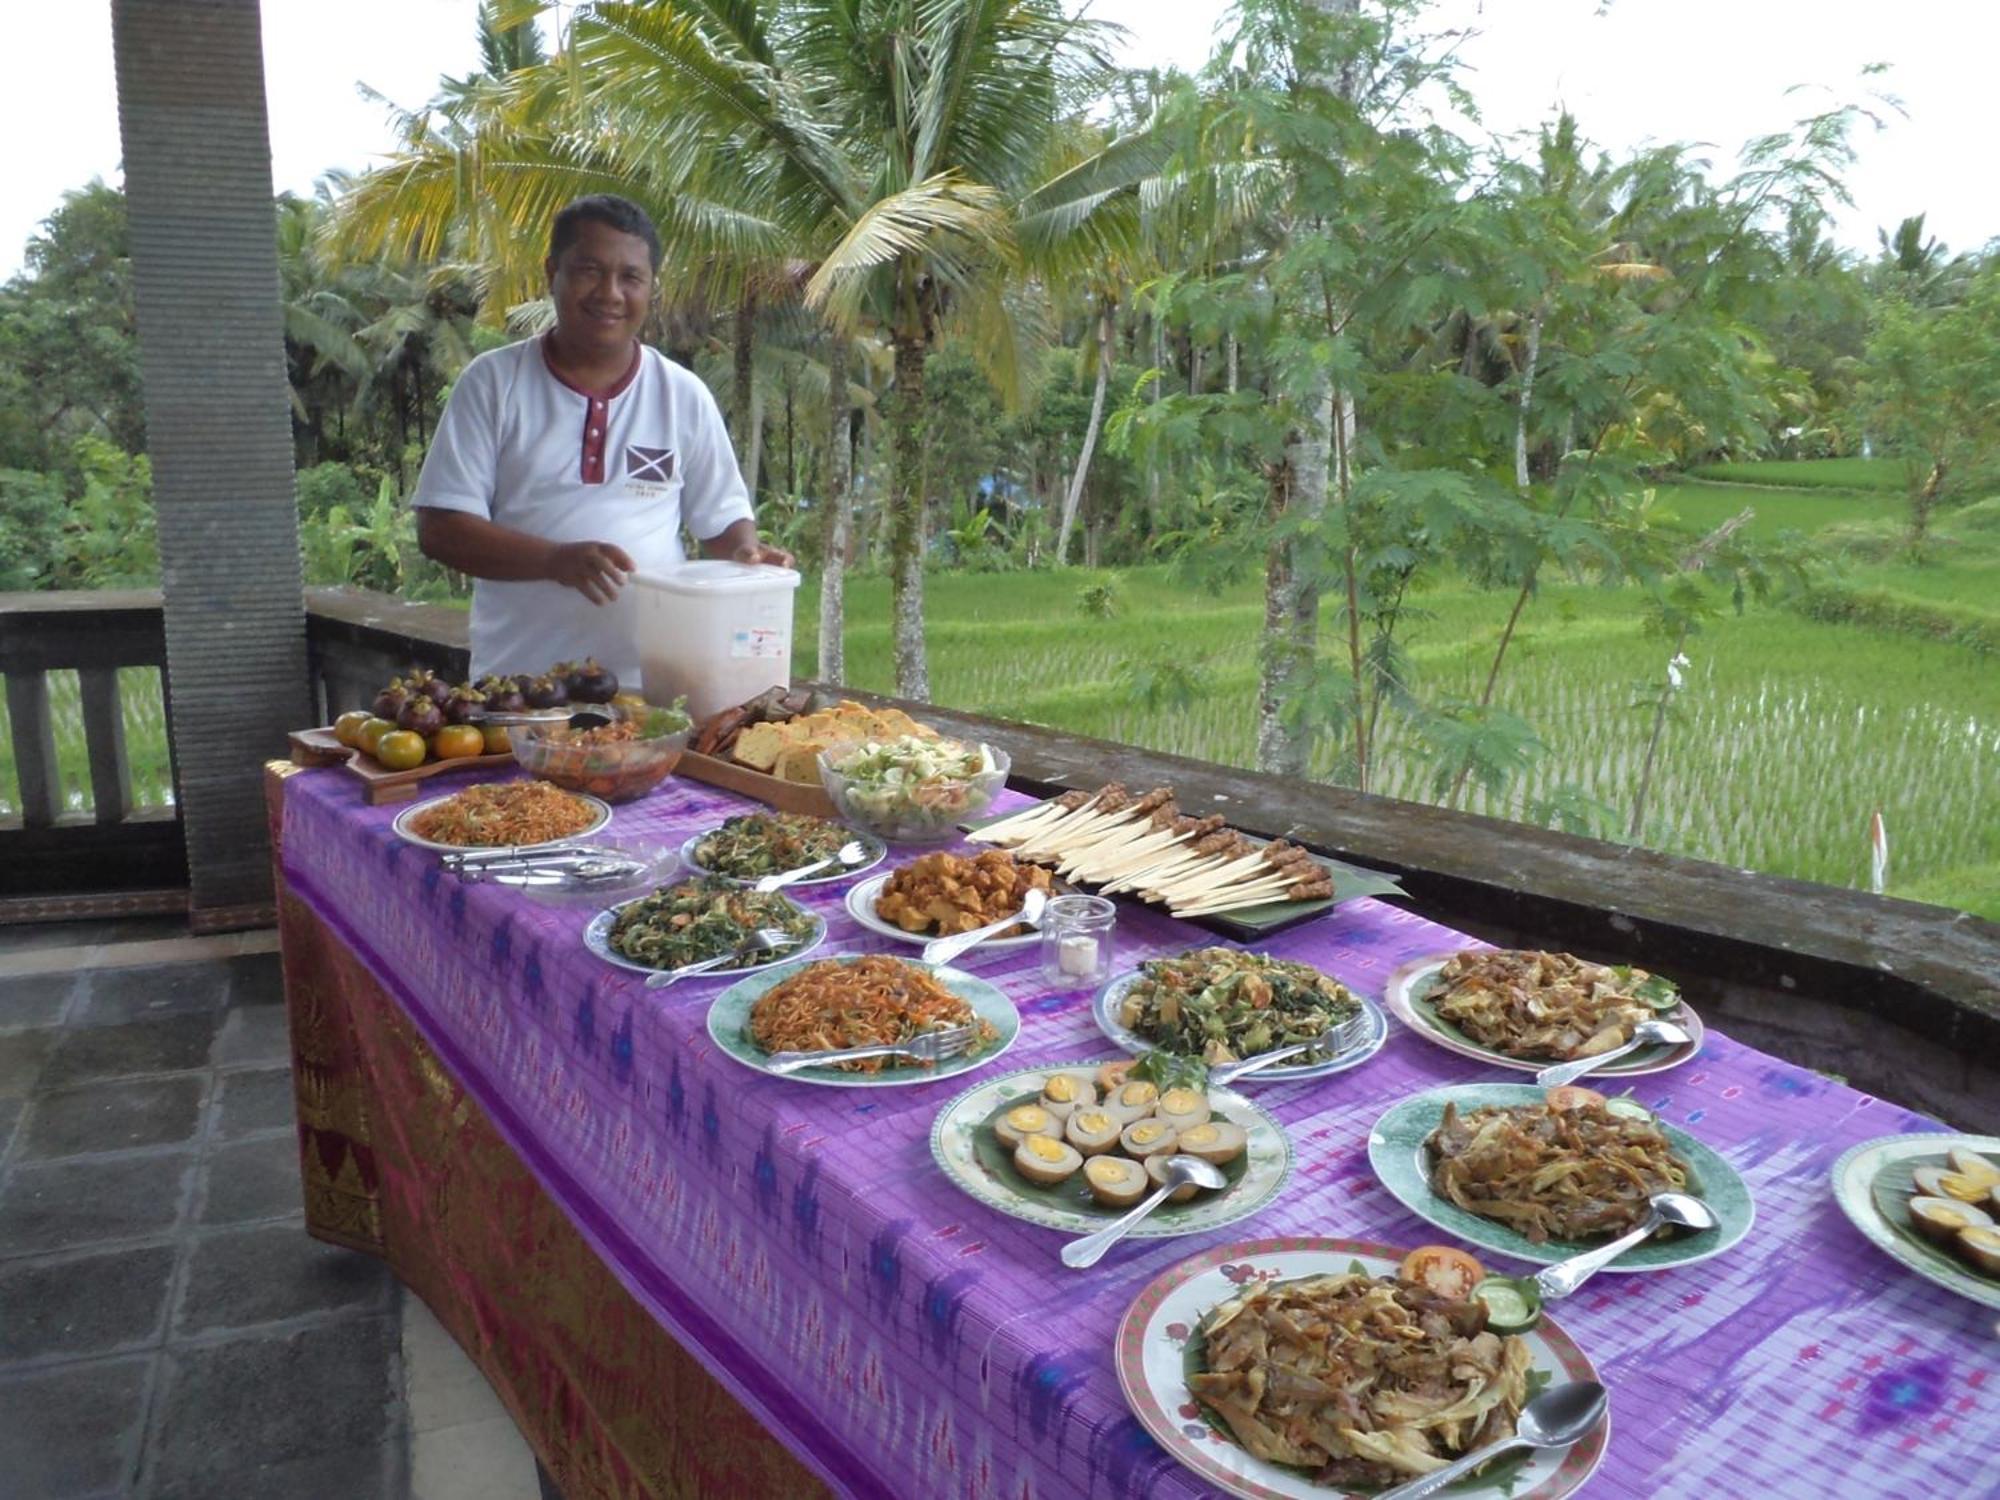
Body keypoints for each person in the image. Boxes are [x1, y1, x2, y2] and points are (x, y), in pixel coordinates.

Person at [412, 193, 794, 687]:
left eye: (630, 277)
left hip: (654, 690)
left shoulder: (681, 394)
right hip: (519, 693)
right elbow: (441, 527)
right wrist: (555, 561)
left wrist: (749, 556)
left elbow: (722, 523)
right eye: (589, 270)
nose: (610, 293)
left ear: (651, 287)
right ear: (553, 272)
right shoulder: (493, 383)